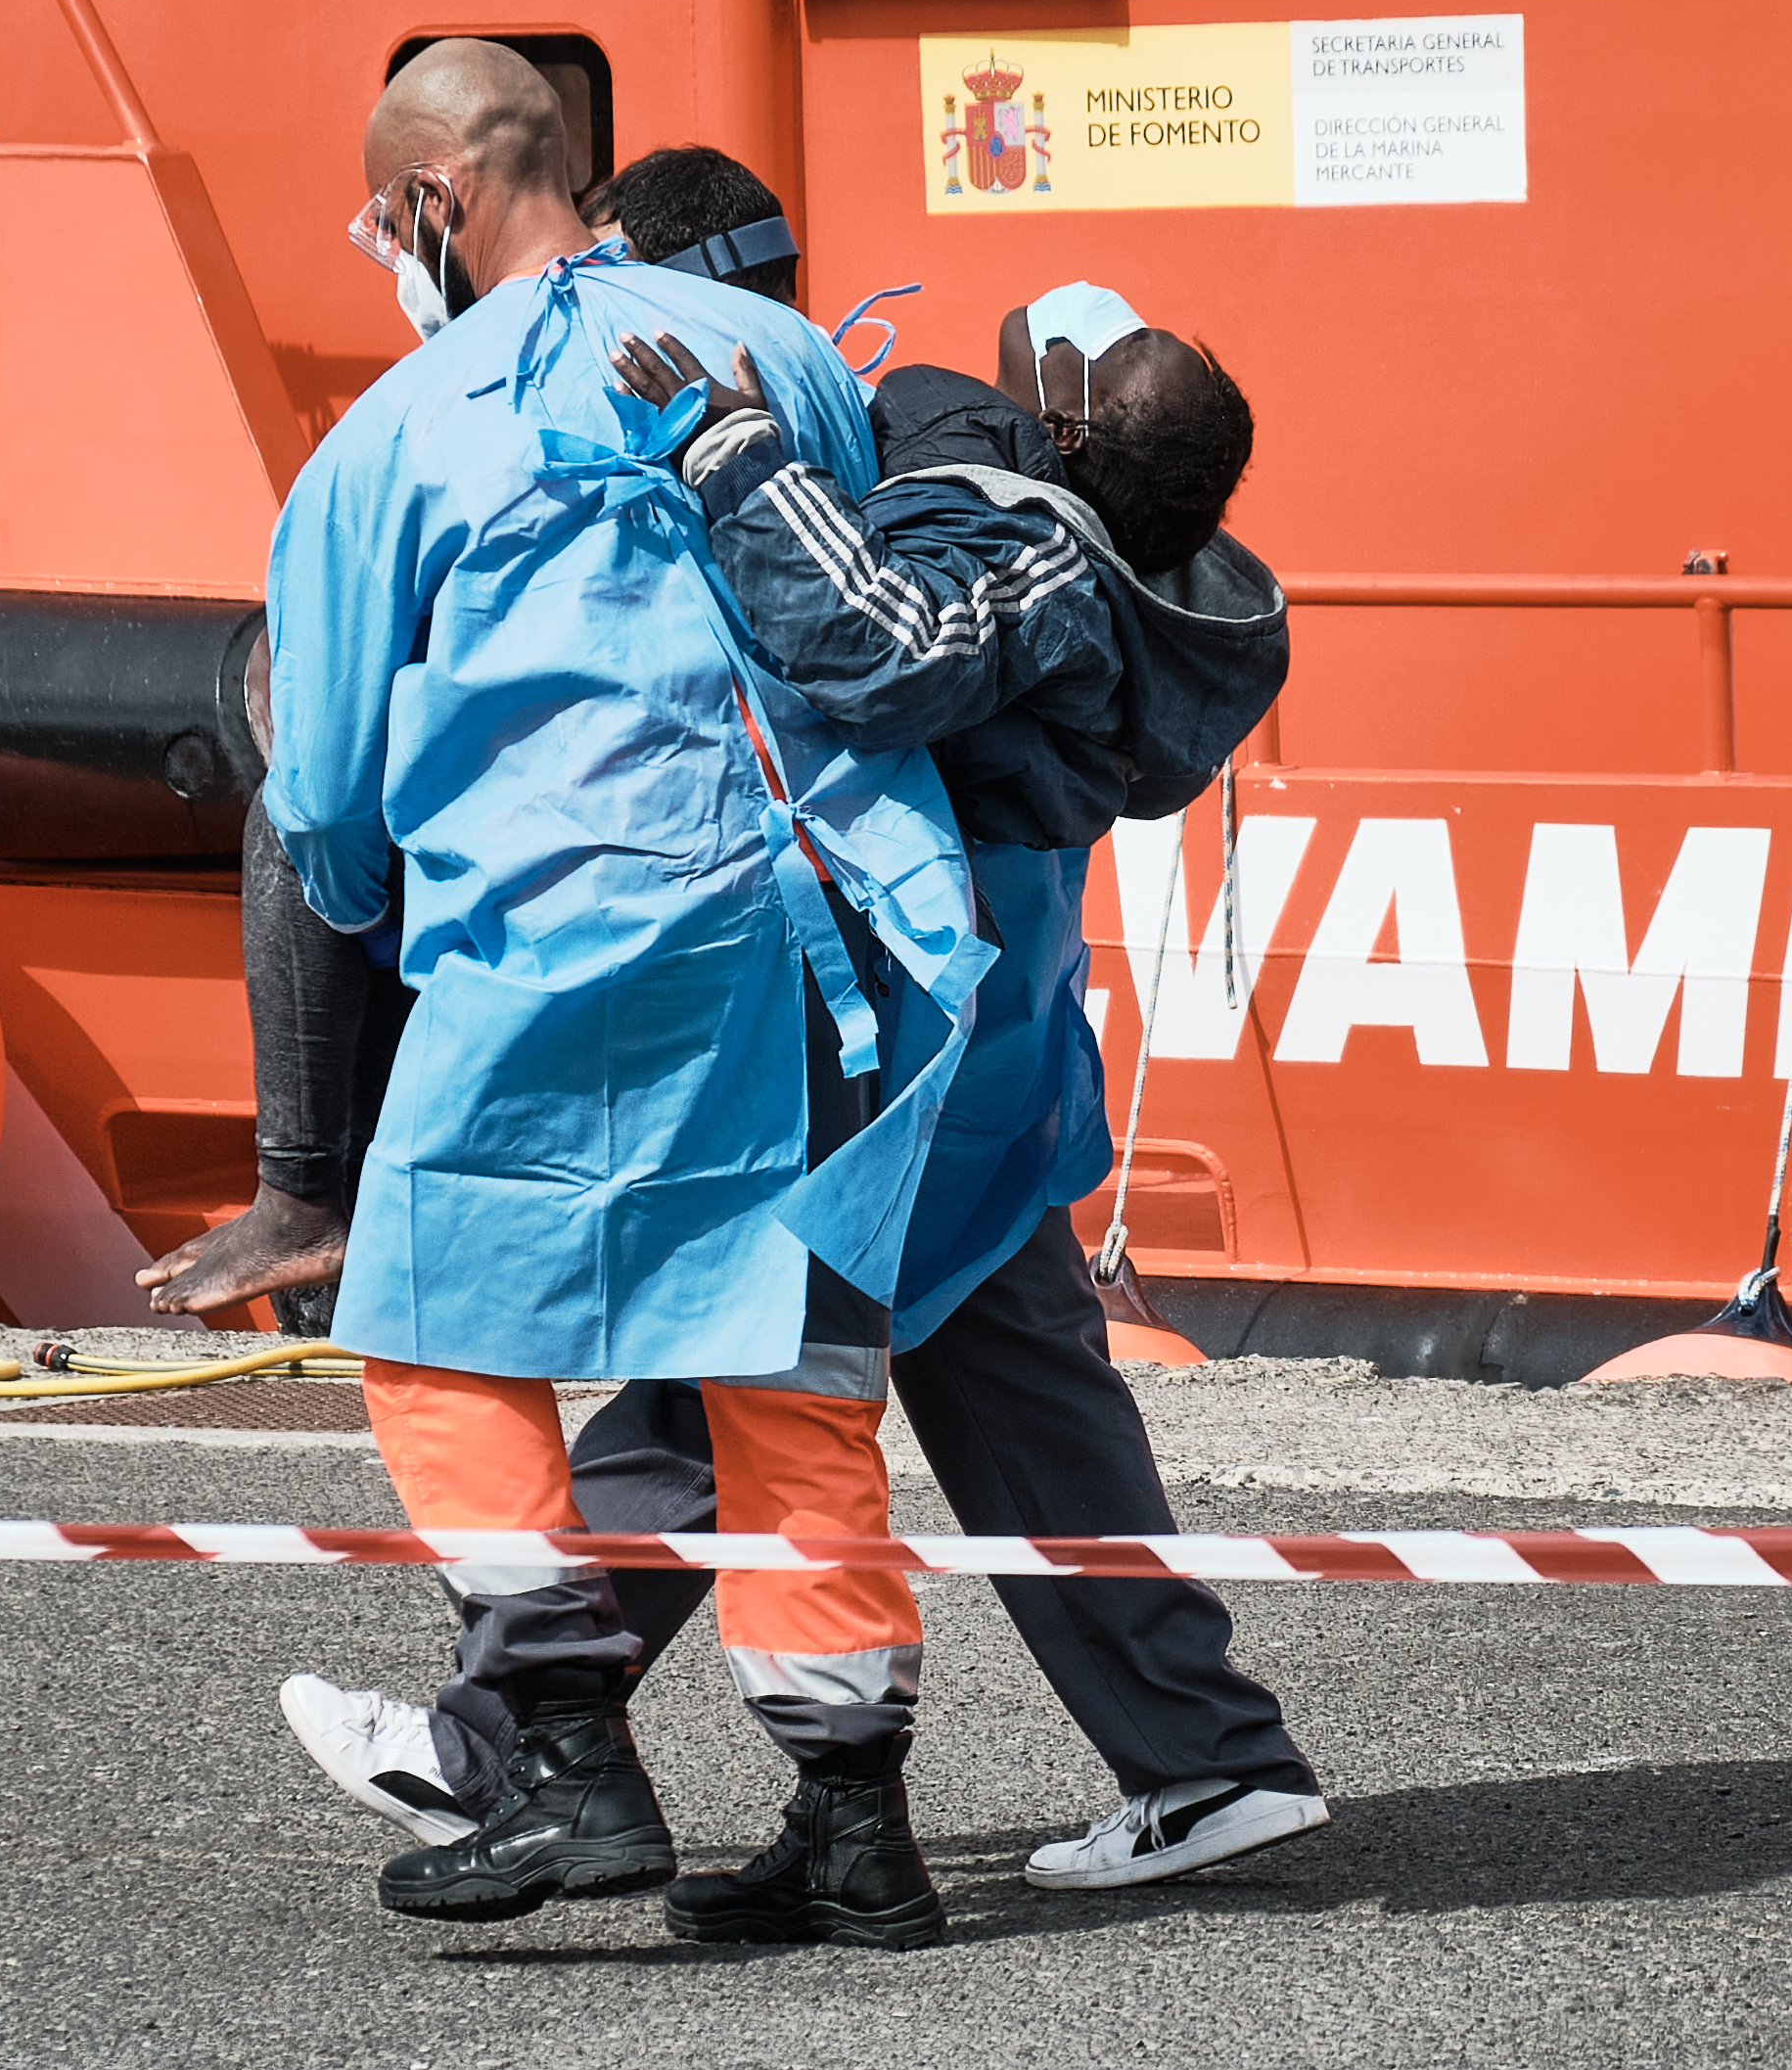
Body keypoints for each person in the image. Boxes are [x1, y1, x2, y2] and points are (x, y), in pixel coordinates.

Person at [280, 158, 1328, 1898]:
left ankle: (500, 1747)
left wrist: (728, 453)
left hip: (890, 1015)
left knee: (728, 1380)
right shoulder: (1140, 583)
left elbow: (864, 651)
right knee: (1006, 1398)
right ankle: (1202, 1755)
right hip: (992, 1036)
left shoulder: (999, 547)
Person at [260, 48, 994, 1950]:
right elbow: (833, 615)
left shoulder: (387, 440)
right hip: (827, 939)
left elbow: (324, 793)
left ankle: (570, 1765)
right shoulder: (793, 360)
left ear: (429, 202)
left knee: (424, 1320)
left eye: (377, 221)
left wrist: (353, 916)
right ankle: (853, 1830)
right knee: (795, 1375)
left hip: (556, 936)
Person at [134, 142, 802, 1329]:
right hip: (786, 907)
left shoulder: (454, 408)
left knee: (312, 821)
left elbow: (331, 785)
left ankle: (301, 1195)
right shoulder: (819, 385)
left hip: (572, 891)